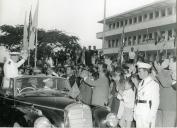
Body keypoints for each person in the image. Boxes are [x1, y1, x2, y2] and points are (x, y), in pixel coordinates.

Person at [134, 62, 160, 128]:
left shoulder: (153, 84)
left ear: (146, 72)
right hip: (139, 112)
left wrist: (151, 116)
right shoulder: (140, 84)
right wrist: (135, 111)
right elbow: (137, 99)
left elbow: (155, 102)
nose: (138, 73)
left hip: (147, 113)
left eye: (140, 71)